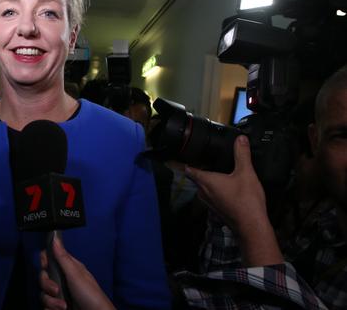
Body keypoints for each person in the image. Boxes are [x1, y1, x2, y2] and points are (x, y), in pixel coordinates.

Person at [0, 0, 170, 309]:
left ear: (72, 38)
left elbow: (145, 293)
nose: (26, 28)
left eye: (49, 13)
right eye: (9, 11)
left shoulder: (123, 140)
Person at [41, 66, 347, 309]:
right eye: (341, 136)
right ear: (314, 140)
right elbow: (225, 296)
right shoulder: (322, 230)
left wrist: (252, 224)